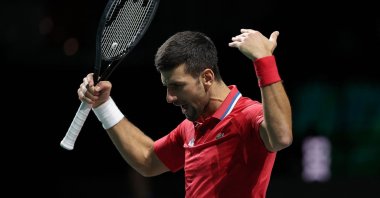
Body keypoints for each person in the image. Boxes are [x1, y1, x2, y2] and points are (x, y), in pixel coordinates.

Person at [78, 28, 293, 198]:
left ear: (207, 78)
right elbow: (148, 160)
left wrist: (264, 60)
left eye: (177, 86)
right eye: (167, 87)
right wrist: (103, 105)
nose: (169, 98)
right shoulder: (190, 127)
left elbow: (281, 136)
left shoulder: (247, 116)